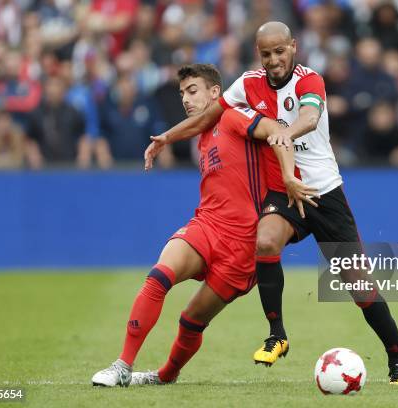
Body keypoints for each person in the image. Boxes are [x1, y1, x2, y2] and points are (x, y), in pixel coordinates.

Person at [145, 22, 398, 384]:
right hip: (283, 190)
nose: (274, 60)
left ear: (293, 47)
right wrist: (166, 136)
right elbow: (209, 116)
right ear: (260, 54)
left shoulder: (309, 80)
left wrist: (283, 133)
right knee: (266, 241)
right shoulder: (248, 83)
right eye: (267, 54)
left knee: (359, 286)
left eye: (280, 51)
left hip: (323, 194)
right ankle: (277, 334)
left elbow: (310, 116)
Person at [91, 63, 314, 387]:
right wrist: (165, 139)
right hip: (207, 226)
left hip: (242, 247)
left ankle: (166, 376)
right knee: (159, 276)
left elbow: (275, 132)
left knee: (191, 320)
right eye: (182, 93)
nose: (185, 98)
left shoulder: (233, 116)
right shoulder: (202, 135)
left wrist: (289, 178)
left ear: (215, 93)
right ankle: (123, 365)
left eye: (192, 90)